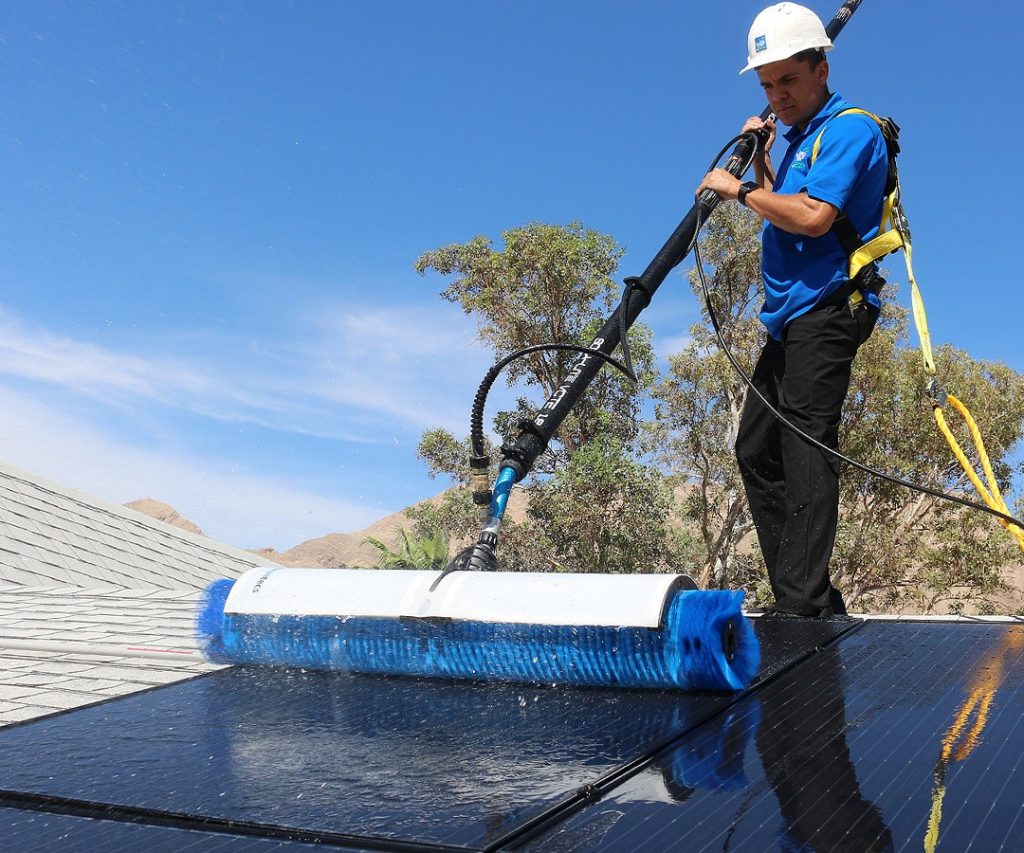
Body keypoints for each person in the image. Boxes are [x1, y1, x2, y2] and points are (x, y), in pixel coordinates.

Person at [696, 2, 889, 617]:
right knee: (756, 449)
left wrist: (742, 190)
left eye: (789, 80)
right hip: (789, 319)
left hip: (829, 309)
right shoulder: (805, 134)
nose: (777, 94)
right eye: (768, 84)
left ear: (821, 71)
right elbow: (790, 195)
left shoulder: (850, 129)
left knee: (806, 447)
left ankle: (800, 607)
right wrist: (759, 162)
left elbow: (812, 217)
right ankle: (811, 598)